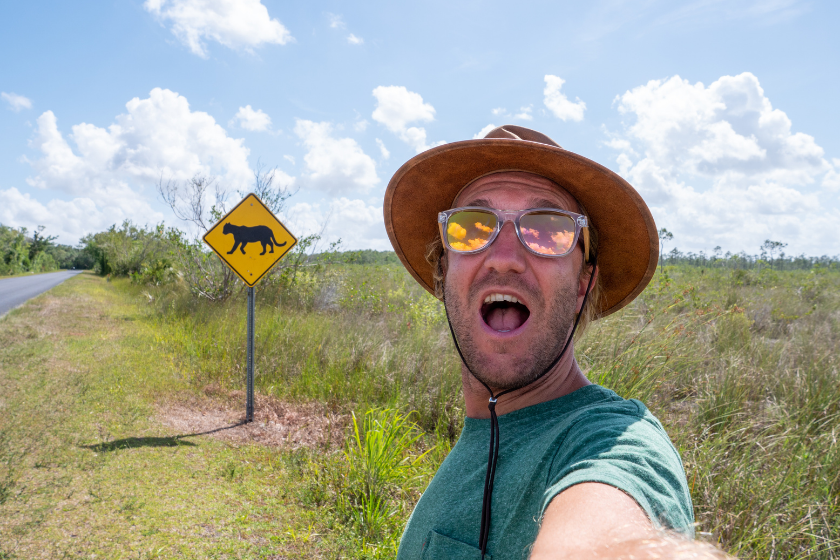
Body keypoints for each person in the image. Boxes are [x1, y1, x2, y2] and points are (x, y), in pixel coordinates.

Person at [383, 125, 711, 559]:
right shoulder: (479, 433)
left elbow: (612, 534)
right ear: (444, 273)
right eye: (472, 227)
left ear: (582, 284)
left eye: (548, 230)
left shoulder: (609, 443)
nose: (504, 257)